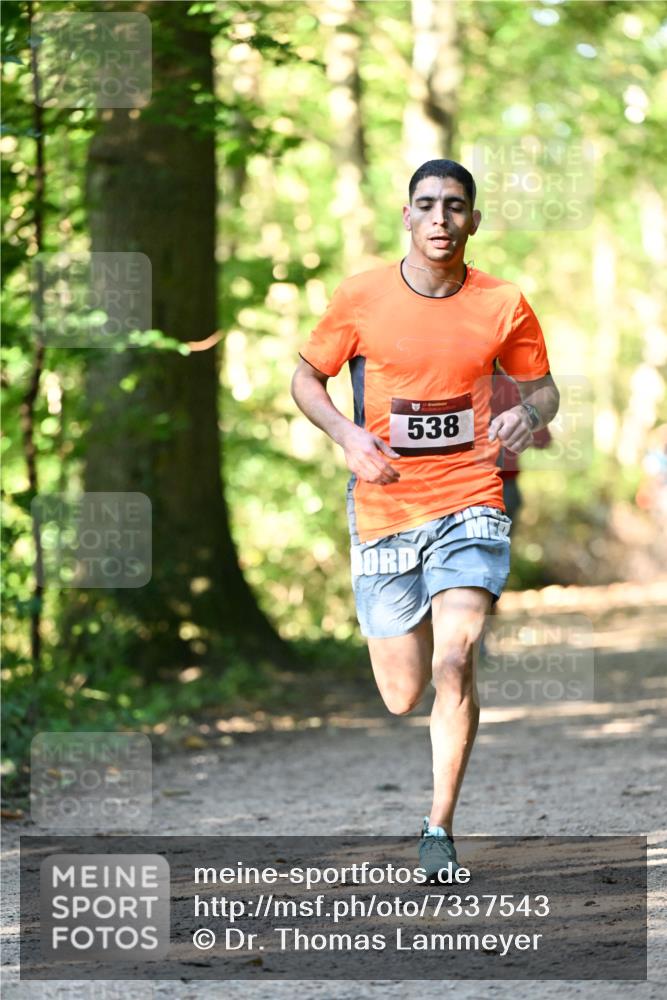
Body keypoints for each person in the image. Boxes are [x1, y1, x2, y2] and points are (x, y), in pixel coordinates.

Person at [290, 159, 560, 882]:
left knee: (454, 658)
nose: (440, 218)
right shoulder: (360, 298)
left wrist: (525, 412)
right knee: (402, 691)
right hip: (384, 503)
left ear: (473, 220)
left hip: (470, 495)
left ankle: (437, 825)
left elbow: (544, 389)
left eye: (455, 206)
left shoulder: (503, 303)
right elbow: (304, 377)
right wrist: (346, 436)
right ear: (406, 217)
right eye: (426, 205)